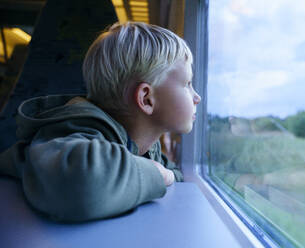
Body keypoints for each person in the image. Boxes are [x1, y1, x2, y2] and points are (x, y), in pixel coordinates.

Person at [0, 22, 201, 222]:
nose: (197, 97)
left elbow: (174, 173)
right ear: (146, 99)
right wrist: (158, 175)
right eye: (188, 84)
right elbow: (84, 184)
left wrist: (166, 174)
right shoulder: (74, 132)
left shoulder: (145, 145)